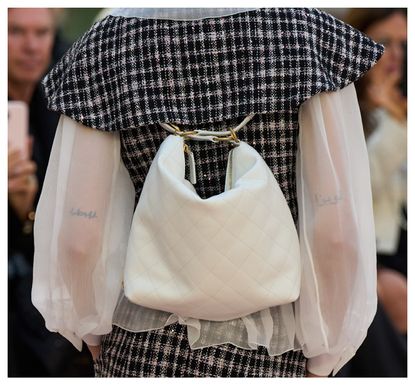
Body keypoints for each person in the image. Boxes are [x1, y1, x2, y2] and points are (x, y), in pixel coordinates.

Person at [31, 8, 384, 377]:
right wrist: (326, 353)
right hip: (274, 353)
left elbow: (79, 238)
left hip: (141, 353)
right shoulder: (310, 38)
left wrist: (89, 329)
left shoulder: (104, 48)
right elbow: (338, 235)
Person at [8, 8, 93, 376]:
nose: (30, 46)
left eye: (41, 33)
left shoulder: (65, 100)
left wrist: (26, 209)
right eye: (14, 31)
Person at [336, 9, 407, 377]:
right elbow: (360, 186)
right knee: (391, 294)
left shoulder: (403, 108)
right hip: (369, 247)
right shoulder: (346, 106)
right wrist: (395, 125)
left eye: (404, 46)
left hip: (399, 241)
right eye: (384, 43)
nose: (394, 55)